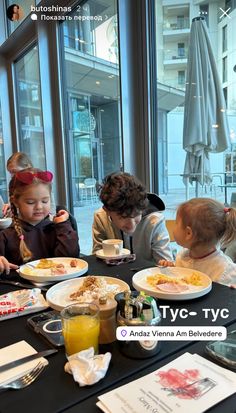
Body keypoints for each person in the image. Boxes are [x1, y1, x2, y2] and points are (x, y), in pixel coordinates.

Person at [0, 168, 79, 273]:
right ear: (16, 202)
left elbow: (70, 258)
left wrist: (63, 225)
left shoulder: (57, 229)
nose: (39, 207)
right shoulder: (6, 236)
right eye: (31, 202)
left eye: (45, 201)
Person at [92, 172, 173, 265]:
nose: (131, 225)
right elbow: (97, 258)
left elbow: (165, 264)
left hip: (147, 276)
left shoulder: (154, 221)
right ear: (107, 211)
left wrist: (165, 264)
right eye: (123, 217)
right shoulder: (100, 217)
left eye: (136, 215)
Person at [159, 198, 236, 287]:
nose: (173, 228)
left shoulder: (224, 270)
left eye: (176, 223)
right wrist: (171, 269)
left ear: (188, 233)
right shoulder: (183, 256)